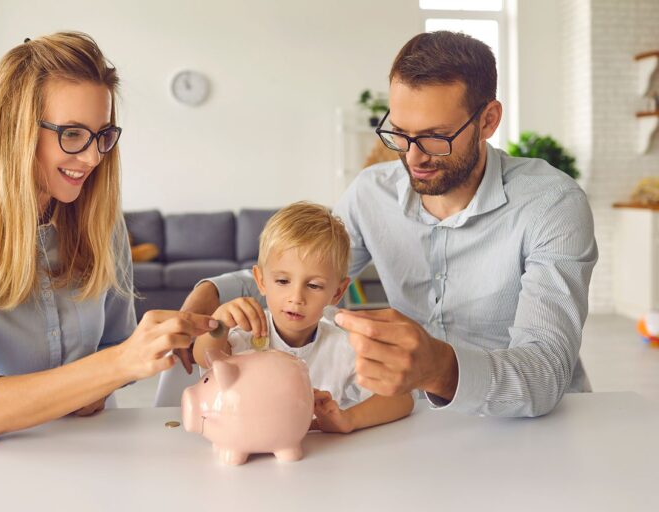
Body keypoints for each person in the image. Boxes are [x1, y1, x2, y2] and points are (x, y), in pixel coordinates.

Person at [180, 31, 598, 418]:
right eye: (400, 133)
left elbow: (546, 370)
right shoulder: (371, 193)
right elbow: (300, 272)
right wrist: (212, 290)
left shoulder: (551, 204)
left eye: (436, 137)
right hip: (414, 423)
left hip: (535, 429)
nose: (412, 159)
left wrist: (441, 369)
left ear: (488, 120)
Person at [0, 32, 217, 442]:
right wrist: (117, 366)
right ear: (14, 130)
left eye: (102, 135)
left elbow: (114, 343)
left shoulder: (102, 222)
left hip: (81, 453)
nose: (93, 157)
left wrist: (110, 377)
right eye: (72, 134)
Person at [192, 202, 413, 433]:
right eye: (283, 281)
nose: (296, 297)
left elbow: (401, 398)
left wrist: (348, 419)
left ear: (337, 292)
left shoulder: (344, 341)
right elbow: (204, 357)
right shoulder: (247, 330)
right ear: (261, 281)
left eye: (314, 285)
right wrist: (219, 324)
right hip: (251, 447)